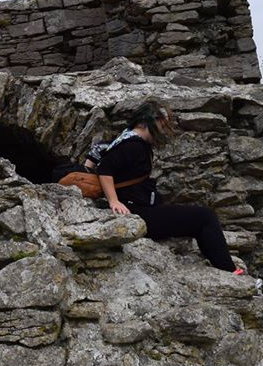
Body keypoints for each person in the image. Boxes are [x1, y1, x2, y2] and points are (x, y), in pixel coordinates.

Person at [96, 99, 241, 274]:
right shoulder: (132, 145)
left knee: (195, 218)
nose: (164, 129)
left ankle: (224, 266)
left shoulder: (128, 140)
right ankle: (229, 270)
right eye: (162, 124)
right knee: (205, 217)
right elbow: (105, 169)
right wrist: (114, 201)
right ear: (148, 121)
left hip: (140, 208)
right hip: (135, 212)